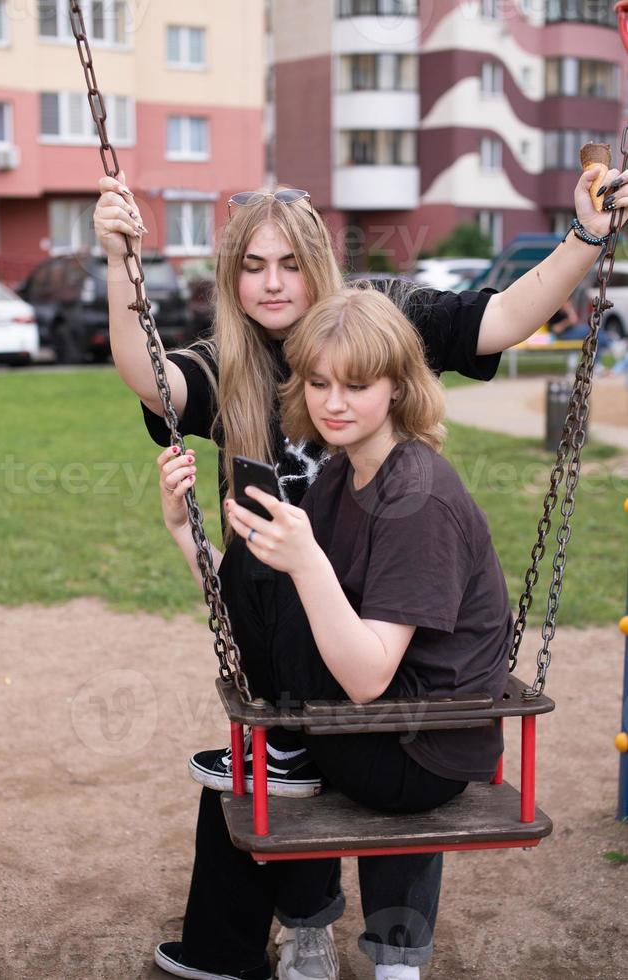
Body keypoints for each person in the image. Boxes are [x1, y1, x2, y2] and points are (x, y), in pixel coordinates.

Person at [93, 163, 628, 980]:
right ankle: (288, 930)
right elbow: (151, 379)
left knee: (359, 711)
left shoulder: (386, 324)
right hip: (309, 623)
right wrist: (118, 263)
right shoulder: (234, 363)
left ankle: (393, 949)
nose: (272, 285)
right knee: (273, 713)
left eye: (289, 263)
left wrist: (586, 237)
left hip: (382, 646)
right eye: (251, 265)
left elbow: (499, 318)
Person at [155, 287, 513, 980]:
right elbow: (255, 612)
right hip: (373, 725)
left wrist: (304, 559)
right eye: (317, 382)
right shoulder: (341, 475)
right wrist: (183, 529)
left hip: (415, 753)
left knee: (269, 565)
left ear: (399, 387)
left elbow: (368, 676)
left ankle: (287, 768)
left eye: (357, 384)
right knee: (259, 555)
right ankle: (292, 902)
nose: (332, 402)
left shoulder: (416, 497)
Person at [548, 296, 613, 351]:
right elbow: (555, 330)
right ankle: (611, 343)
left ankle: (610, 342)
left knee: (595, 333)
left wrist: (569, 309)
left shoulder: (566, 311)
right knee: (592, 332)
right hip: (562, 336)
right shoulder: (554, 313)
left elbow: (574, 320)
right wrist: (566, 322)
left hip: (572, 331)